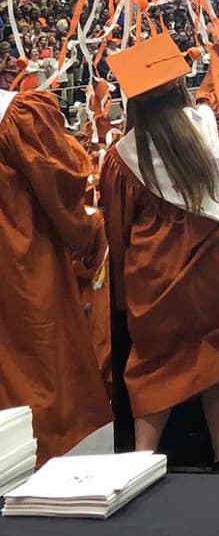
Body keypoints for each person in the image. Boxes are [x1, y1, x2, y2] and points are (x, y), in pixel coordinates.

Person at [100, 33, 219, 470]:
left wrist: (124, 299)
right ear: (179, 87)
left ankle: (138, 466)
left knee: (152, 371)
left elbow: (117, 228)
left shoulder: (123, 159)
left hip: (159, 284)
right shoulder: (213, 129)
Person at [0, 87, 112, 464]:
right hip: (21, 265)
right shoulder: (16, 117)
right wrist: (88, 230)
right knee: (39, 361)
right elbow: (62, 180)